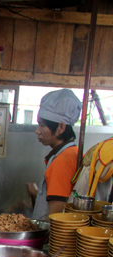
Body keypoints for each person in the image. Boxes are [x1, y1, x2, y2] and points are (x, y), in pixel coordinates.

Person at [26, 89, 81, 219]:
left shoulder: (63, 160)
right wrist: (36, 193)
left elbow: (56, 215)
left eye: (42, 125)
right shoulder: (71, 153)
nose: (37, 131)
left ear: (60, 128)